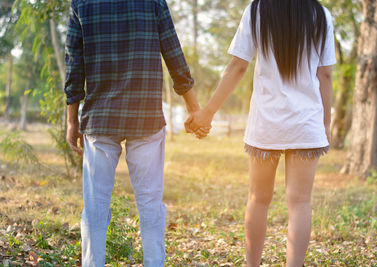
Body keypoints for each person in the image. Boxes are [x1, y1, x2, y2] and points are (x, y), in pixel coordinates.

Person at [186, 0, 336, 266]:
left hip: (267, 122)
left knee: (258, 199)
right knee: (300, 202)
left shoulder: (257, 10)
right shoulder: (320, 14)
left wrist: (208, 112)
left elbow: (238, 67)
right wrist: (325, 123)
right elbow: (324, 74)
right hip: (305, 122)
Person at [64, 0, 206, 265]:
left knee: (95, 207)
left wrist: (72, 121)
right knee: (150, 204)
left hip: (100, 117)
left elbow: (74, 64)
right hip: (145, 115)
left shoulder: (81, 3)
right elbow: (173, 53)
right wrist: (193, 108)